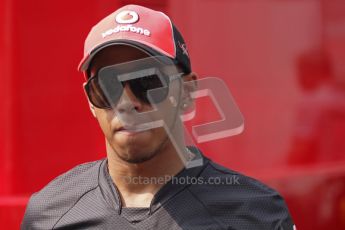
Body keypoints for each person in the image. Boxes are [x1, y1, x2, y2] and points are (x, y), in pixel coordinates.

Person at [21, 4, 295, 230]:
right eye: (108, 86)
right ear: (90, 101)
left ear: (187, 92)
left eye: (147, 81)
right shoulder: (48, 213)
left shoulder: (256, 216)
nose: (127, 102)